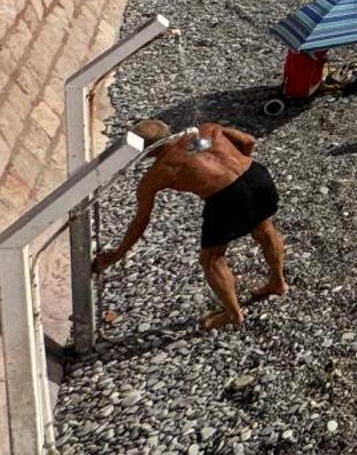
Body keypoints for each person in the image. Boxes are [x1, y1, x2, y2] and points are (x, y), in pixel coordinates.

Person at [92, 120, 286, 330]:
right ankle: (278, 283)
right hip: (256, 176)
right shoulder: (208, 129)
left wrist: (118, 253)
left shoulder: (159, 172)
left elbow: (141, 221)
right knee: (265, 229)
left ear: (144, 151)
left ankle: (233, 315)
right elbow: (248, 141)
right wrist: (239, 169)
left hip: (226, 198)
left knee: (212, 259)